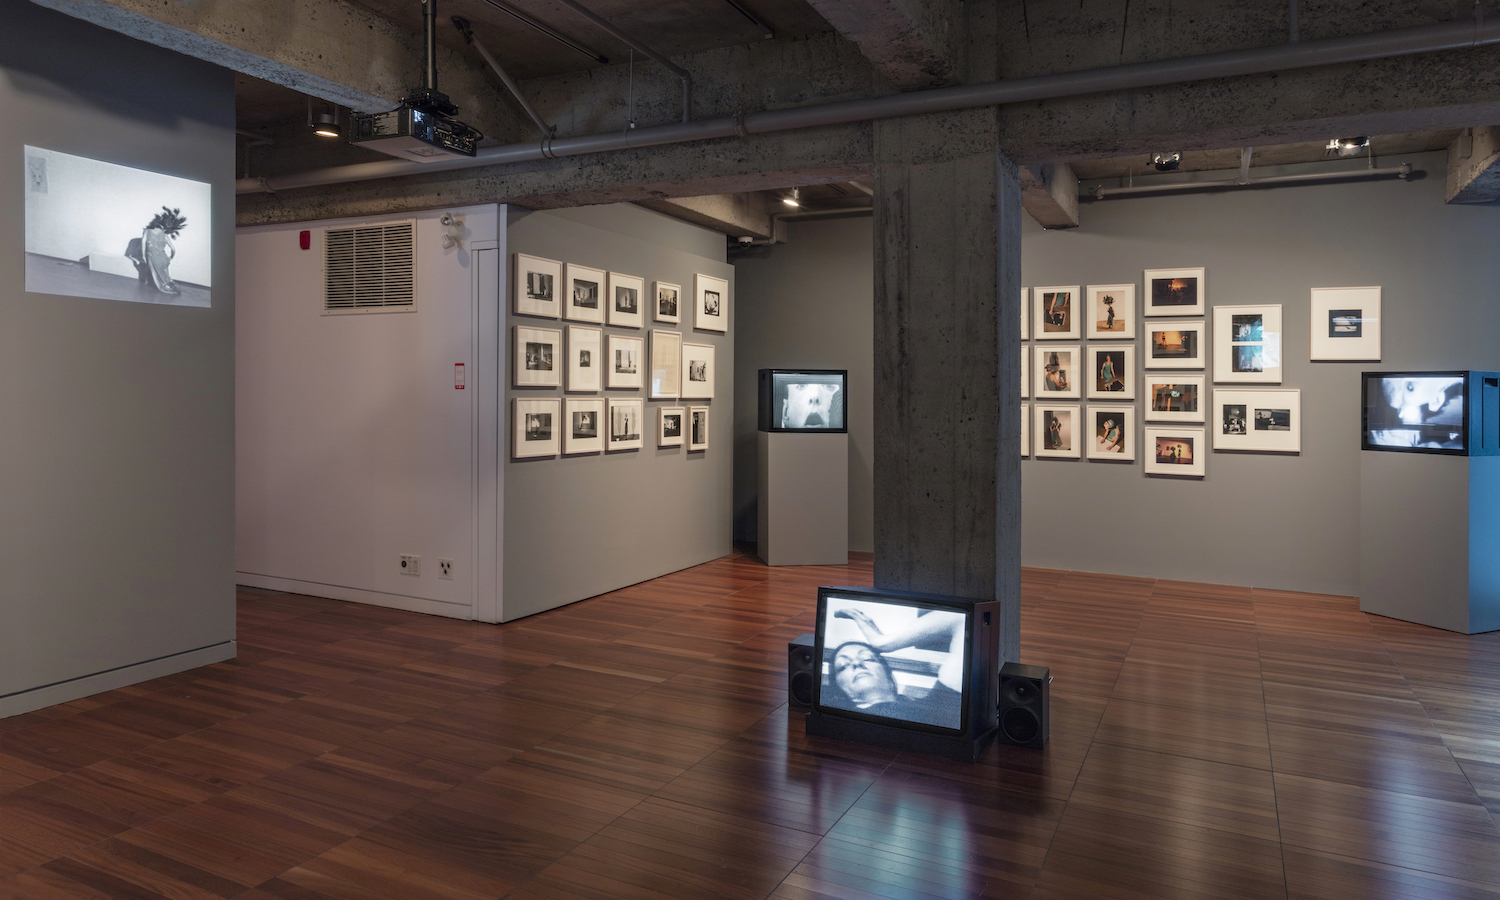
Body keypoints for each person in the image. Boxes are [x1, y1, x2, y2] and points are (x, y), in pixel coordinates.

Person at [828, 606, 965, 728]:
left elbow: (962, 619)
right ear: (839, 687)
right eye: (844, 666)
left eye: (867, 658)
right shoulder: (839, 726)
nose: (857, 664)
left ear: (888, 677)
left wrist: (883, 643)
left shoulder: (936, 707)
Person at [128, 206, 187, 296]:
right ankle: (170, 285)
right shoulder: (165, 236)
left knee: (161, 280)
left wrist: (144, 257)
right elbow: (173, 249)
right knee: (166, 276)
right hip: (164, 259)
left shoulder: (147, 231)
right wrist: (171, 257)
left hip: (153, 259)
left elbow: (144, 246)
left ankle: (167, 288)